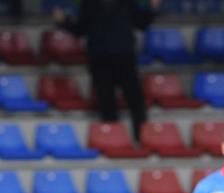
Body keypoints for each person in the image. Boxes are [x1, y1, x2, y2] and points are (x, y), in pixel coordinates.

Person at [53, 0, 161, 142]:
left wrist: (152, 8)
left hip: (124, 56)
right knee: (106, 103)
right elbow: (80, 29)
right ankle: (113, 140)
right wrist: (64, 21)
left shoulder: (128, 3)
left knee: (136, 102)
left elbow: (141, 23)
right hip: (99, 59)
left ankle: (142, 140)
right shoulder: (89, 4)